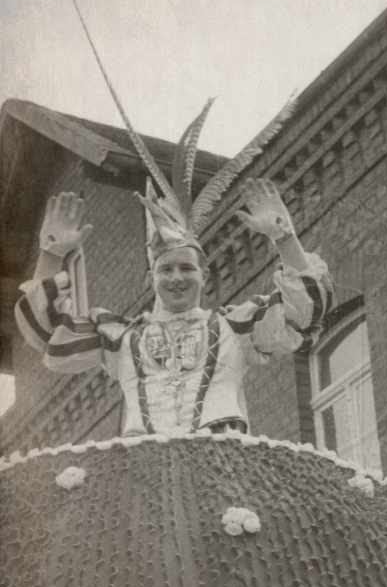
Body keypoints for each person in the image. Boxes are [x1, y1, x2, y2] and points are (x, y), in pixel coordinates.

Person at [15, 178, 332, 436]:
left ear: (203, 276)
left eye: (187, 268)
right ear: (150, 278)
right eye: (166, 269)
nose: (177, 278)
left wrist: (285, 238)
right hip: (146, 473)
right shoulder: (121, 338)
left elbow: (303, 313)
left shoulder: (235, 328)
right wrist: (51, 254)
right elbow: (49, 335)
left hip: (223, 468)